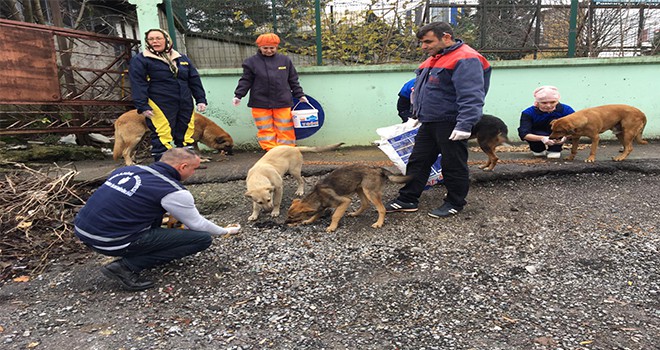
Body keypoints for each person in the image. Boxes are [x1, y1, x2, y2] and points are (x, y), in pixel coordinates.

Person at [74, 148, 240, 291]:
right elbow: (198, 224)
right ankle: (125, 267)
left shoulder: (128, 170)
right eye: (194, 169)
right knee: (201, 239)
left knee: (159, 215)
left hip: (83, 230)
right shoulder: (173, 191)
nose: (193, 173)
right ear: (183, 167)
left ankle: (140, 247)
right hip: (111, 241)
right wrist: (225, 231)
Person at [385, 21, 491, 218]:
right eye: (422, 43)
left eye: (428, 41)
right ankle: (407, 198)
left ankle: (455, 202)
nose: (424, 46)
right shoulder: (434, 59)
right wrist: (416, 115)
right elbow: (423, 91)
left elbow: (472, 95)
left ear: (447, 37)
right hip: (430, 121)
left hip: (451, 122)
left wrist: (465, 124)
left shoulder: (466, 58)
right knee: (418, 160)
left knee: (453, 164)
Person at [129, 28, 208, 162]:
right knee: (163, 131)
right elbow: (138, 83)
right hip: (159, 101)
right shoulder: (141, 59)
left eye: (158, 38)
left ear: (166, 39)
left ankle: (186, 162)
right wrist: (142, 105)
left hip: (184, 100)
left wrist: (200, 99)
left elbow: (194, 79)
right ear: (147, 42)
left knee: (186, 130)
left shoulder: (181, 58)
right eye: (151, 39)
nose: (155, 41)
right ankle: (163, 164)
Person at [232, 33, 309, 151]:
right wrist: (238, 95)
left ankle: (286, 150)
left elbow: (293, 80)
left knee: (285, 127)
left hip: (282, 100)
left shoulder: (285, 60)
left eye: (272, 48)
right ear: (259, 47)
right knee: (265, 128)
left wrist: (300, 95)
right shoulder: (251, 62)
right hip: (260, 101)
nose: (269, 50)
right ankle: (271, 151)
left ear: (277, 47)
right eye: (265, 48)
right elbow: (246, 80)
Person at [518, 86, 574, 159]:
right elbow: (524, 133)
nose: (548, 105)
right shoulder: (528, 113)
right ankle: (538, 149)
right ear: (537, 102)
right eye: (544, 103)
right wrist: (542, 138)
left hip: (557, 137)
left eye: (553, 102)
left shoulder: (566, 110)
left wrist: (565, 137)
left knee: (554, 155)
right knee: (538, 154)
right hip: (536, 136)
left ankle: (555, 149)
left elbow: (576, 128)